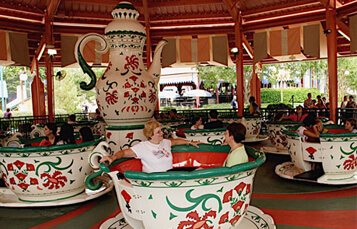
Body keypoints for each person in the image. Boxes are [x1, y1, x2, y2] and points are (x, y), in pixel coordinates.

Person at [99, 120, 201, 173]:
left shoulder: (165, 142)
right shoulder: (143, 147)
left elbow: (175, 142)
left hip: (169, 174)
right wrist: (112, 157)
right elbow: (124, 153)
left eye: (161, 130)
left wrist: (189, 142)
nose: (162, 133)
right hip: (154, 179)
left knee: (198, 170)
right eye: (158, 132)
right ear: (150, 135)